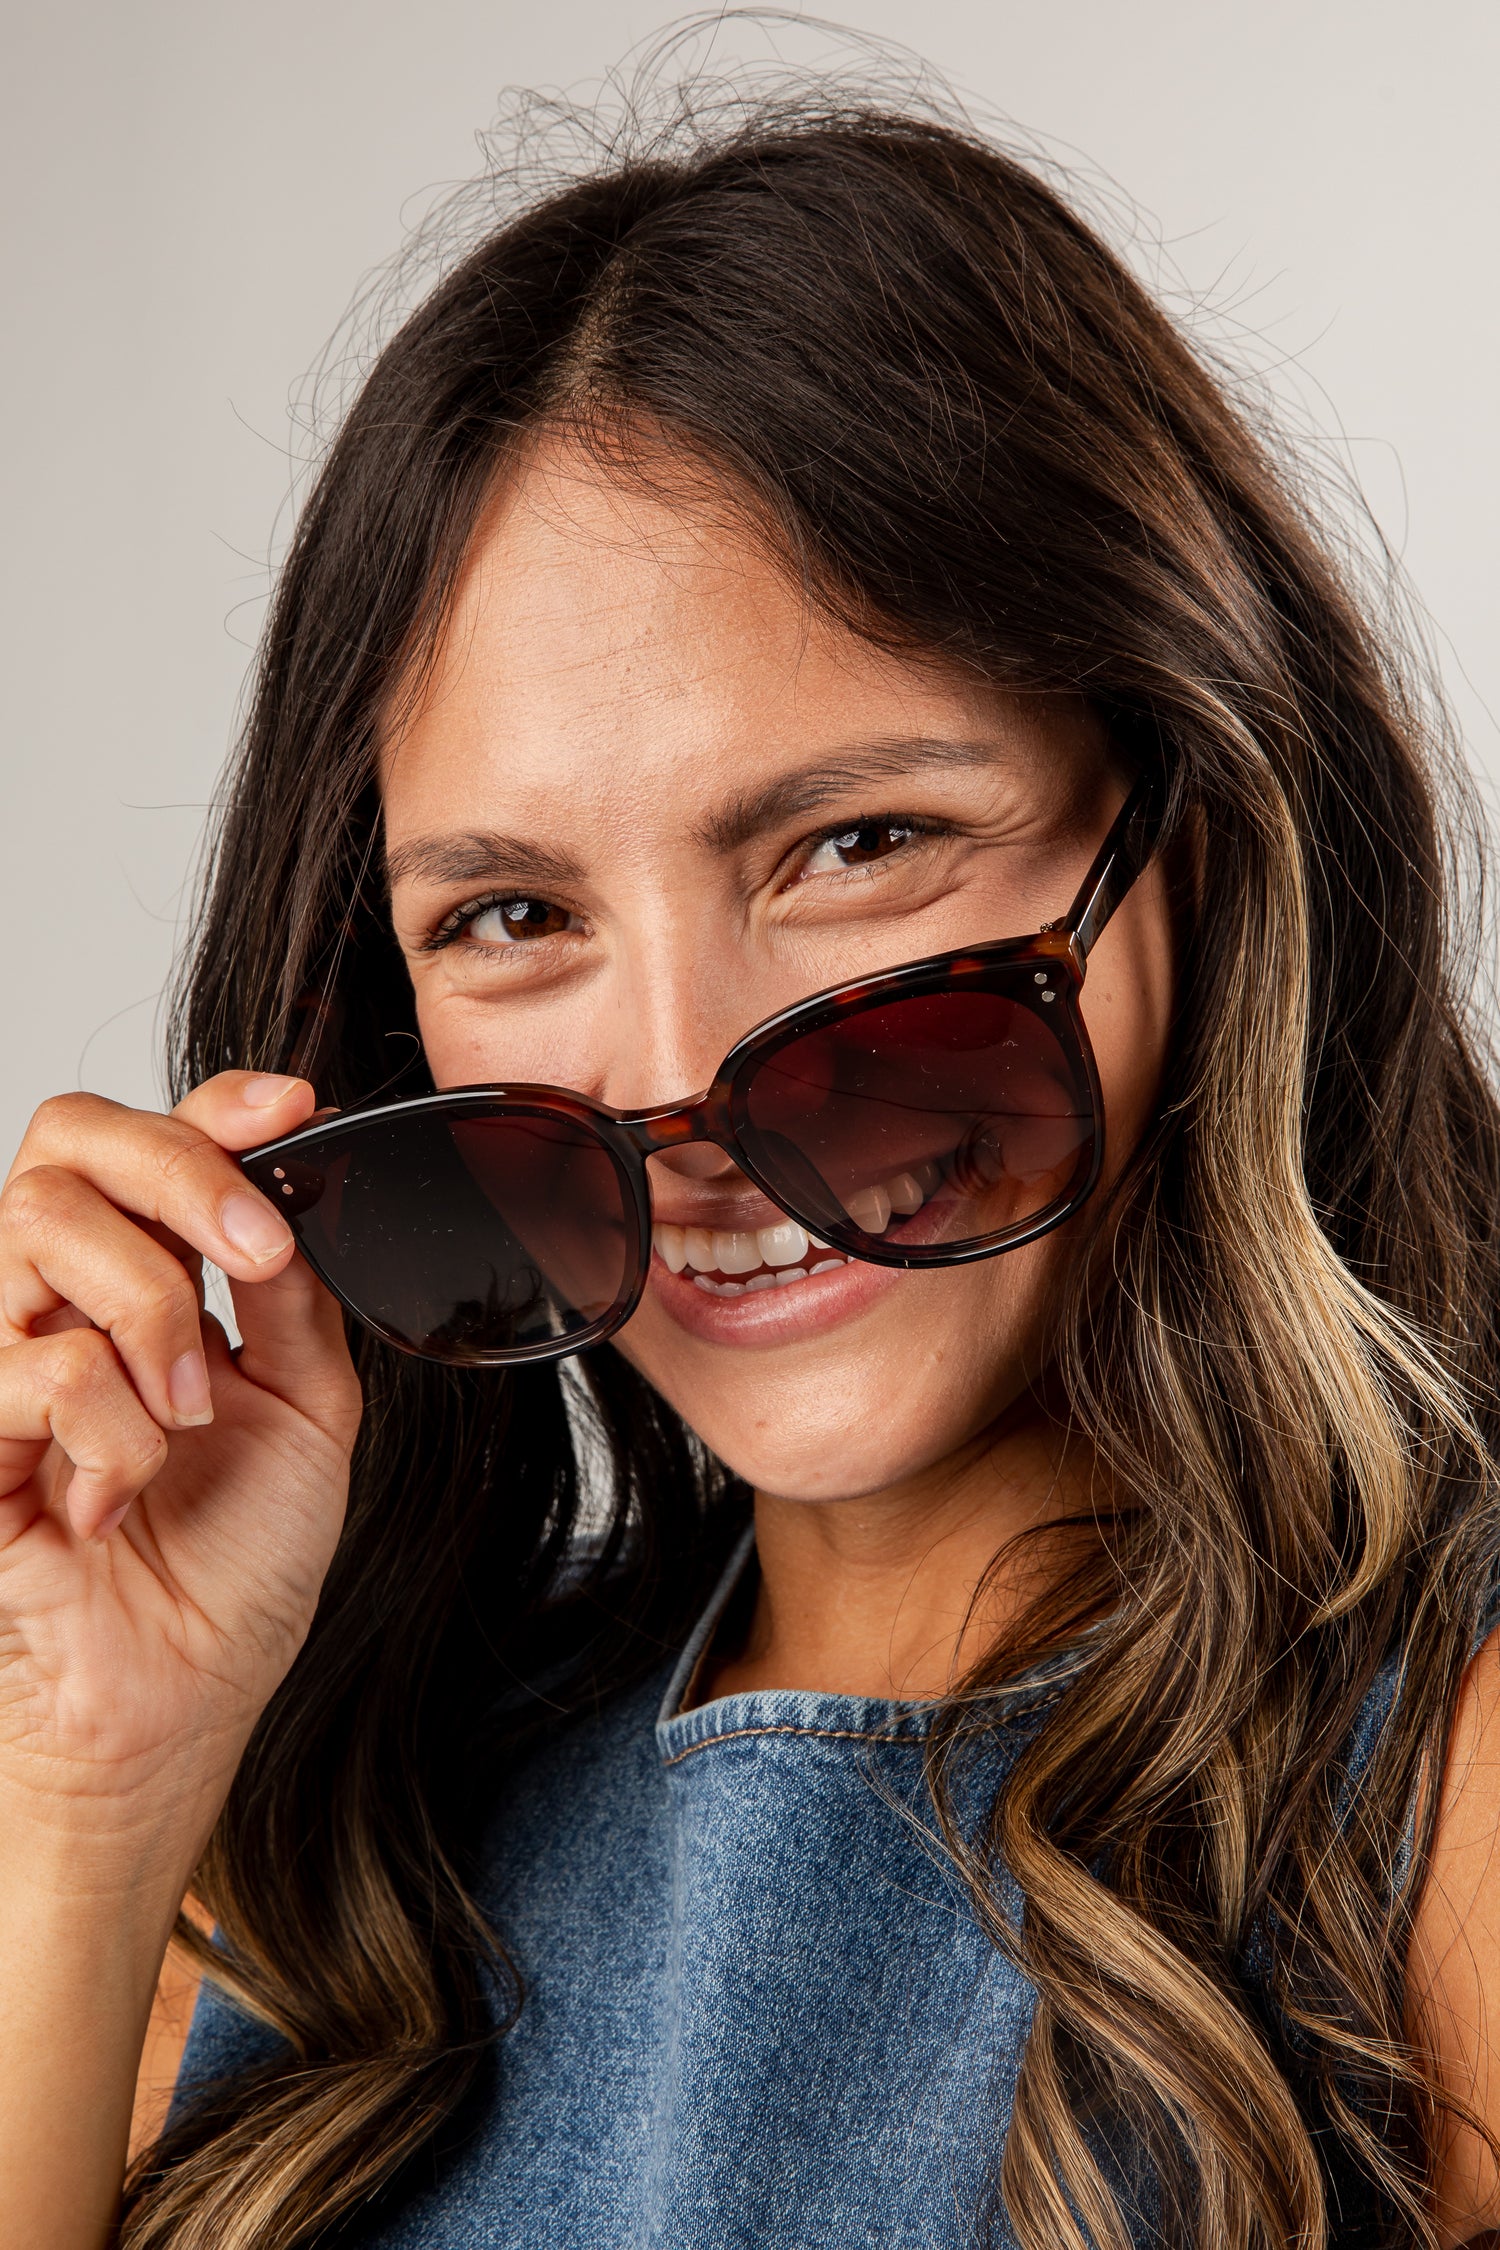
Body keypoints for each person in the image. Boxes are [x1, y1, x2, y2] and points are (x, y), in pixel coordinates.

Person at [2, 93, 1498, 2250]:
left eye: (858, 844)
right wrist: (77, 1783)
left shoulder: (1439, 1785)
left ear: (1191, 845)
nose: (681, 1086)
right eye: (512, 918)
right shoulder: (313, 1873)